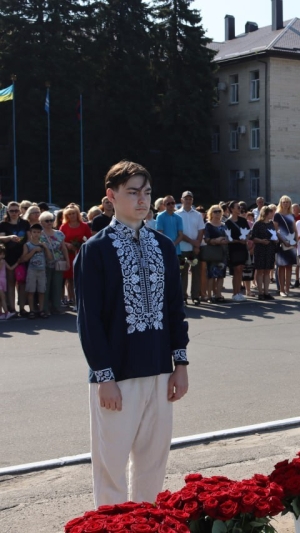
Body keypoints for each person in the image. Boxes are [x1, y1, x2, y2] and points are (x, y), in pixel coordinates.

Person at [74, 160, 189, 507]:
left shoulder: (164, 246)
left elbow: (175, 310)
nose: (142, 200)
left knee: (153, 464)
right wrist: (103, 376)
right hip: (117, 376)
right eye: (133, 192)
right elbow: (88, 320)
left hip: (159, 371)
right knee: (110, 467)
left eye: (147, 192)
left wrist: (180, 364)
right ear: (111, 196)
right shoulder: (94, 250)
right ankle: (112, 528)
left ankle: (149, 525)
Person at [0, 201, 31, 316]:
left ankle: (22, 308)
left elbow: (28, 239)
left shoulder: (24, 223)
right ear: (7, 211)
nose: (14, 213)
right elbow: (1, 238)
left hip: (22, 255)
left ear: (19, 211)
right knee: (10, 282)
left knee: (22, 282)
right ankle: (12, 308)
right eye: (11, 210)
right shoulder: (3, 224)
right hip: (8, 256)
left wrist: (25, 254)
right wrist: (10, 237)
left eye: (16, 210)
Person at [59, 205, 92, 308]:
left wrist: (82, 244)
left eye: (73, 213)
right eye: (69, 214)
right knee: (68, 278)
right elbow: (59, 240)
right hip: (67, 255)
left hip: (79, 253)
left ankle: (78, 299)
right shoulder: (64, 226)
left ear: (77, 214)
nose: (72, 216)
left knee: (77, 278)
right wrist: (67, 245)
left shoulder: (84, 226)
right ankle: (71, 299)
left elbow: (90, 239)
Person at [176, 191, 205, 305]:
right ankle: (183, 296)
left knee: (196, 272)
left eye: (190, 199)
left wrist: (197, 244)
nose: (188, 201)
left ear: (192, 200)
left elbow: (201, 230)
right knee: (183, 271)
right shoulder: (177, 214)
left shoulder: (197, 215)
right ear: (181, 200)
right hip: (183, 249)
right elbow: (179, 233)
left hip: (194, 250)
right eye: (186, 199)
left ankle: (195, 295)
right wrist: (192, 242)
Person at [39, 211, 70, 314]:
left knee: (57, 285)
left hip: (58, 263)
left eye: (51, 220)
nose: (49, 222)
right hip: (44, 263)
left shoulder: (59, 233)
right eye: (46, 221)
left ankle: (56, 306)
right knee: (46, 286)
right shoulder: (39, 234)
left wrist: (67, 261)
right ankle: (45, 307)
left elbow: (64, 248)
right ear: (41, 222)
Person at [20, 223, 52, 317]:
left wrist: (45, 248)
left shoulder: (43, 245)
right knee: (31, 291)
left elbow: (50, 258)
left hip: (42, 270)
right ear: (30, 233)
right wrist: (33, 250)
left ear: (41, 233)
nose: (36, 234)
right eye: (34, 232)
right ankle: (32, 310)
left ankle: (41, 310)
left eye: (38, 232)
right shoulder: (27, 245)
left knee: (41, 291)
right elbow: (24, 258)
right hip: (32, 270)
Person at [250, 206, 278, 301]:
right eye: (271, 212)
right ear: (266, 213)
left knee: (267, 271)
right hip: (260, 248)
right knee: (260, 270)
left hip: (270, 248)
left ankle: (266, 292)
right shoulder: (257, 224)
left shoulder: (271, 224)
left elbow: (274, 235)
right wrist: (261, 241)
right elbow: (252, 237)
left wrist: (275, 240)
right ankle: (260, 292)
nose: (272, 214)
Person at [225, 201, 250, 301]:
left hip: (242, 247)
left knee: (240, 269)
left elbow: (248, 232)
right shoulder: (227, 222)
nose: (240, 209)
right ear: (231, 209)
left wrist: (246, 239)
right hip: (233, 248)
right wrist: (235, 240)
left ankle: (238, 292)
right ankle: (234, 293)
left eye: (240, 207)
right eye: (237, 207)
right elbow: (226, 237)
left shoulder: (243, 220)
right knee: (236, 270)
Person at [203, 205, 229, 302]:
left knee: (221, 275)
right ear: (211, 213)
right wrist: (217, 240)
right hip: (212, 253)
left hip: (222, 252)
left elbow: (228, 237)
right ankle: (209, 296)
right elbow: (207, 239)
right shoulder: (208, 225)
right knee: (211, 275)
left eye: (219, 211)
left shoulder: (224, 225)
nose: (217, 213)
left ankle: (218, 295)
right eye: (215, 211)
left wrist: (225, 240)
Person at [274, 196, 297, 297]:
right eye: (284, 202)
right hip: (281, 243)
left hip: (291, 243)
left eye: (287, 202)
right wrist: (283, 241)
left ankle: (287, 289)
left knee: (289, 266)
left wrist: (295, 240)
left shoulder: (292, 215)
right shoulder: (277, 215)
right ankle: (281, 290)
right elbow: (276, 230)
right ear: (280, 203)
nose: (286, 204)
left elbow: (294, 229)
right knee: (281, 266)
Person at [0, 244, 10, 319]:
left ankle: (1, 313)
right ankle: (6, 312)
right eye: (1, 254)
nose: (2, 255)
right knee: (3, 297)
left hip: (3, 280)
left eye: (3, 254)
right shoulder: (2, 261)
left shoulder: (3, 261)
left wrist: (18, 262)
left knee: (2, 297)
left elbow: (10, 268)